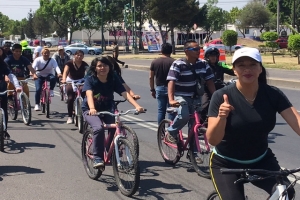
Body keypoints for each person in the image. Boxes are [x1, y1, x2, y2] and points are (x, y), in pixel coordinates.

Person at [207, 47, 296, 200]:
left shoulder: (272, 94)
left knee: (286, 193)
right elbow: (213, 140)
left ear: (260, 68)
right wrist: (222, 117)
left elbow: (297, 122)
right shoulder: (221, 96)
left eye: (252, 64)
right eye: (241, 65)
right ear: (234, 70)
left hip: (261, 160)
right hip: (226, 163)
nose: (247, 69)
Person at [82, 56, 145, 167]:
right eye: (100, 66)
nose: (103, 68)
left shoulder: (113, 79)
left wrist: (137, 106)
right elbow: (89, 94)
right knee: (99, 128)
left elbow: (125, 93)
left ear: (110, 67)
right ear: (95, 68)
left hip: (108, 108)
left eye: (105, 65)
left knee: (116, 127)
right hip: (91, 110)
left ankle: (109, 150)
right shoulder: (90, 79)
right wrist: (92, 108)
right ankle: (97, 158)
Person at [166, 40, 216, 162]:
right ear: (187, 51)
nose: (198, 51)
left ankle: (193, 153)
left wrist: (216, 97)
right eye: (195, 49)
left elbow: (210, 82)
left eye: (199, 49)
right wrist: (171, 99)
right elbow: (171, 81)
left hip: (196, 97)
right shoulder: (178, 64)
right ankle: (171, 132)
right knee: (184, 116)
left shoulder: (203, 64)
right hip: (181, 96)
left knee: (195, 124)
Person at [200, 47, 235, 124]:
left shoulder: (221, 65)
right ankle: (200, 123)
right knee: (204, 105)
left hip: (220, 89)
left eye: (215, 56)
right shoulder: (203, 66)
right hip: (206, 90)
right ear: (207, 57)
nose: (213, 57)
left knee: (231, 103)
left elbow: (233, 70)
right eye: (211, 56)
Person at [149, 43, 175, 124]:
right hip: (172, 89)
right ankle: (171, 132)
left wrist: (152, 89)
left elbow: (151, 77)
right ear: (171, 51)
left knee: (161, 111)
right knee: (171, 110)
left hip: (159, 88)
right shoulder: (174, 62)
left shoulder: (155, 62)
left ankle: (161, 132)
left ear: (161, 50)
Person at [61, 50, 88, 124]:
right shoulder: (69, 63)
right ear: (74, 55)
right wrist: (64, 79)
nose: (79, 57)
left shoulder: (84, 64)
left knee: (84, 93)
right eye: (78, 55)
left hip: (81, 80)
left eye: (81, 55)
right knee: (70, 98)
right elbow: (65, 71)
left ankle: (84, 113)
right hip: (70, 81)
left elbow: (89, 72)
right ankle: (69, 116)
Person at [0, 57, 22, 139]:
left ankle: (4, 130)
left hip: (2, 90)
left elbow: (11, 75)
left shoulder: (2, 64)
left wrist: (17, 86)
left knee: (4, 110)